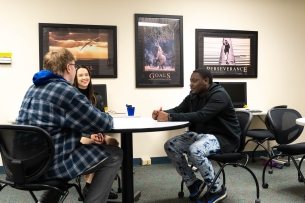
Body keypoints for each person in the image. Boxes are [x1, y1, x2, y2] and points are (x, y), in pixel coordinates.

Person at [16, 48, 123, 203]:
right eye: (74, 66)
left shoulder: (32, 88)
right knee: (114, 154)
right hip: (50, 164)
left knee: (67, 151)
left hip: (22, 164)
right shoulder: (66, 91)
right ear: (68, 67)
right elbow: (104, 123)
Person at [152, 69, 241, 203]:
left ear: (206, 81)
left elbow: (201, 116)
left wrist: (169, 117)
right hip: (202, 135)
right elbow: (178, 110)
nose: (191, 84)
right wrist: (162, 114)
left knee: (195, 150)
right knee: (170, 145)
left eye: (194, 81)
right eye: (190, 81)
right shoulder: (193, 95)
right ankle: (193, 183)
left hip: (224, 138)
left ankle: (217, 189)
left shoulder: (219, 95)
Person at [73, 65, 119, 200]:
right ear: (75, 78)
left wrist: (100, 134)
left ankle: (105, 184)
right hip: (80, 136)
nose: (84, 77)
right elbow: (74, 124)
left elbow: (102, 120)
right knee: (96, 145)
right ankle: (89, 187)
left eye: (86, 75)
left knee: (113, 142)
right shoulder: (73, 97)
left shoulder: (96, 97)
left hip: (96, 134)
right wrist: (90, 136)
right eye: (80, 75)